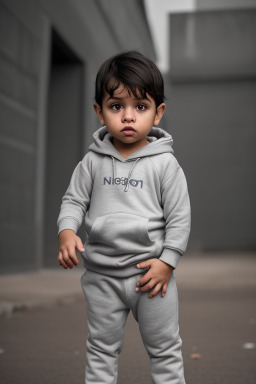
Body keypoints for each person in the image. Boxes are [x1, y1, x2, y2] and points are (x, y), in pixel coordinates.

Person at [57, 50, 191, 384]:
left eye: (140, 107)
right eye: (116, 106)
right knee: (101, 349)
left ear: (158, 113)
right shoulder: (91, 162)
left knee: (164, 349)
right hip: (101, 276)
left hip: (151, 275)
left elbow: (179, 217)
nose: (128, 117)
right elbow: (73, 200)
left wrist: (168, 261)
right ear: (99, 112)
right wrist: (67, 232)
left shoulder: (165, 165)